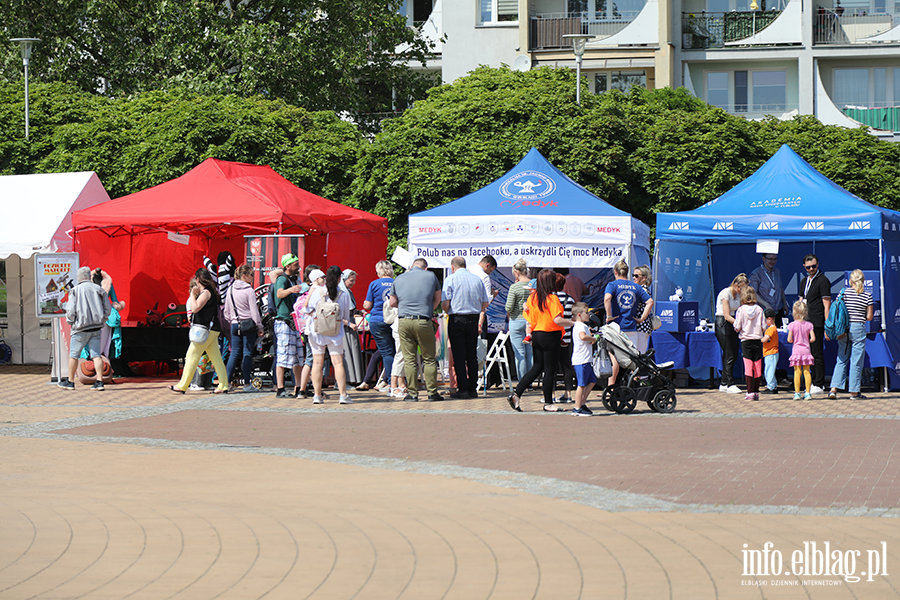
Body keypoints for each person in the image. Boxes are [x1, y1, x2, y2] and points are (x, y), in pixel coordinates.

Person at [506, 269, 575, 411]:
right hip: (551, 335)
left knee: (537, 367)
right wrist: (574, 323)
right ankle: (548, 403)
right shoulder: (552, 299)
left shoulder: (533, 298)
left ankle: (516, 393)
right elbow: (557, 320)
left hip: (537, 334)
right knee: (550, 370)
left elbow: (528, 315)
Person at [389, 258, 442, 402]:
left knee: (409, 359)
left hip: (404, 321)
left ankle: (412, 394)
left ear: (412, 266)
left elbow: (392, 302)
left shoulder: (399, 278)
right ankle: (432, 393)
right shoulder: (431, 276)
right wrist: (428, 307)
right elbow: (438, 298)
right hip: (423, 320)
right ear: (425, 268)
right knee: (429, 358)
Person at [170, 269, 229, 394]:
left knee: (191, 355)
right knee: (216, 358)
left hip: (206, 329)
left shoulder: (206, 293)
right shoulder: (209, 292)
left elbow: (195, 308)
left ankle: (183, 385)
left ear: (197, 279)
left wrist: (192, 294)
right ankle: (223, 385)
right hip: (211, 329)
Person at [301, 266, 353, 404]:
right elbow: (345, 315)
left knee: (317, 363)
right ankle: (343, 395)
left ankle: (317, 396)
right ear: (339, 278)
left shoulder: (317, 291)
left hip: (317, 331)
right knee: (338, 363)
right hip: (335, 332)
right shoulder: (343, 294)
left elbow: (306, 309)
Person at [442, 256, 490, 399]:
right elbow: (485, 303)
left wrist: (449, 310)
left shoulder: (450, 279)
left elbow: (445, 305)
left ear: (452, 267)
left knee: (459, 355)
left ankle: (463, 388)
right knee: (471, 354)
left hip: (457, 318)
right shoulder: (477, 279)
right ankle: (472, 388)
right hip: (473, 318)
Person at [59, 266, 111, 391]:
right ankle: (99, 382)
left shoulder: (75, 290)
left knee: (74, 355)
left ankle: (70, 382)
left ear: (78, 277)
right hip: (96, 328)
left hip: (80, 328)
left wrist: (71, 322)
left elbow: (70, 310)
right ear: (89, 276)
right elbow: (108, 309)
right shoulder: (99, 289)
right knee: (96, 355)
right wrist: (102, 320)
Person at [604, 260, 653, 387]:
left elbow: (607, 298)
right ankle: (632, 387)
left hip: (616, 327)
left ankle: (612, 387)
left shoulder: (612, 285)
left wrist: (609, 316)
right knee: (633, 359)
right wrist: (641, 319)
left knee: (615, 357)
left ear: (615, 272)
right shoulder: (636, 287)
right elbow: (650, 302)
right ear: (627, 272)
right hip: (632, 327)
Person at [829, 269, 874, 400]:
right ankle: (854, 392)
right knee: (856, 361)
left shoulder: (844, 293)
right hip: (858, 328)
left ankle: (833, 389)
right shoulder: (867, 296)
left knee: (841, 358)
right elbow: (870, 317)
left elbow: (837, 310)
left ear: (850, 281)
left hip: (843, 329)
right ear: (863, 281)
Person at [224, 264, 263, 392]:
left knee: (234, 353)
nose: (253, 277)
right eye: (252, 275)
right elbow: (254, 312)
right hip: (248, 324)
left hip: (234, 324)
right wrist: (259, 326)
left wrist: (233, 320)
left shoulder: (230, 289)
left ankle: (227, 383)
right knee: (247, 353)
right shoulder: (249, 290)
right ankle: (247, 384)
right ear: (244, 276)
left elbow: (226, 312)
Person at [798, 254, 831, 395]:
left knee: (816, 353)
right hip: (804, 323)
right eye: (809, 267)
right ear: (804, 267)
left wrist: (827, 324)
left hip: (817, 322)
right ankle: (809, 382)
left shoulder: (823, 281)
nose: (812, 269)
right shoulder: (804, 281)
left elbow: (826, 304)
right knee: (807, 353)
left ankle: (818, 383)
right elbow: (801, 300)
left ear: (818, 265)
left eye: (814, 266)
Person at [273, 254, 303, 398]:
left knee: (298, 356)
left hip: (294, 323)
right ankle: (280, 388)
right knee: (283, 356)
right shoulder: (282, 280)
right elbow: (279, 294)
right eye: (296, 264)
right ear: (288, 266)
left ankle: (298, 387)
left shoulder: (294, 279)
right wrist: (291, 290)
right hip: (284, 322)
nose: (298, 266)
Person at [363, 260, 396, 392]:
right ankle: (396, 380)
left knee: (387, 353)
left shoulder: (374, 284)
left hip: (378, 320)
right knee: (396, 351)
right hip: (394, 320)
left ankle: (389, 382)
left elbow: (368, 305)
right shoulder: (396, 282)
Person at [715, 273, 748, 394]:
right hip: (722, 323)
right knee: (729, 354)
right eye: (741, 288)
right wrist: (740, 324)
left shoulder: (739, 296)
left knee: (733, 354)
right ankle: (730, 384)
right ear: (735, 285)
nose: (743, 291)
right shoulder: (725, 293)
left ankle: (723, 383)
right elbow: (727, 315)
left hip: (733, 324)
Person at [733, 286, 766, 402]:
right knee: (757, 365)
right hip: (757, 339)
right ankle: (756, 391)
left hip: (745, 340)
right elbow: (763, 326)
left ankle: (749, 391)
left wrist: (737, 327)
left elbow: (737, 327)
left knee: (748, 366)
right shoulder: (760, 309)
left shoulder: (740, 310)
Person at [505, 259, 533, 381]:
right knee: (530, 353)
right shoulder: (533, 285)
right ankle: (530, 382)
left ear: (516, 272)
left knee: (520, 354)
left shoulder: (514, 287)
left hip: (516, 320)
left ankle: (523, 382)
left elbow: (508, 307)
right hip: (531, 321)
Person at [570, 303, 596, 416]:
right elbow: (583, 337)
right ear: (579, 314)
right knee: (581, 384)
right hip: (581, 360)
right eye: (586, 313)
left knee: (592, 381)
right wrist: (593, 338)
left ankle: (582, 403)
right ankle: (577, 407)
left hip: (586, 359)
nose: (588, 315)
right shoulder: (580, 326)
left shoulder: (582, 326)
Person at [339, 269, 365, 387]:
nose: (353, 283)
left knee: (353, 351)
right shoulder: (339, 293)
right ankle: (346, 380)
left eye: (354, 281)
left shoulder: (348, 292)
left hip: (350, 324)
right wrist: (348, 323)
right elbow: (338, 313)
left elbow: (351, 309)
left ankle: (354, 379)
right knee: (347, 353)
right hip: (344, 326)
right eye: (351, 280)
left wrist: (359, 312)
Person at [787, 300, 815, 401]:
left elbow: (789, 339)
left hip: (796, 351)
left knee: (797, 372)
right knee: (807, 372)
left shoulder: (792, 325)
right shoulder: (809, 325)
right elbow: (813, 338)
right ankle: (807, 393)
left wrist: (794, 340)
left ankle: (797, 393)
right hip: (806, 351)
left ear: (794, 312)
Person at [749, 253, 788, 325]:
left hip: (778, 311)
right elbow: (753, 293)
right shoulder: (756, 273)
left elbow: (780, 289)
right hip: (765, 313)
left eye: (774, 259)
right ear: (763, 258)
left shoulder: (777, 272)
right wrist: (766, 304)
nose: (772, 262)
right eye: (770, 259)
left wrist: (785, 304)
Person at [555, 272, 576, 404]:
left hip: (553, 336)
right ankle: (568, 394)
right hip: (566, 337)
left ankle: (551, 394)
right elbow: (573, 318)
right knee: (567, 365)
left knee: (551, 366)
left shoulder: (550, 299)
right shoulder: (571, 300)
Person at [469, 255, 498, 335]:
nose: (490, 273)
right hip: (478, 314)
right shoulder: (484, 277)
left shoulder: (468, 270)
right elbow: (487, 302)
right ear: (487, 265)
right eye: (490, 270)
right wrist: (493, 295)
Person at [760, 308, 780, 394]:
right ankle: (773, 385)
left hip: (771, 353)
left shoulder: (771, 329)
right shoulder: (773, 328)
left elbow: (765, 339)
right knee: (770, 369)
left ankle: (771, 387)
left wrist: (759, 338)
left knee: (769, 371)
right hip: (771, 353)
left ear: (769, 319)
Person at [633, 265, 654, 339]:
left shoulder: (642, 290)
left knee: (639, 350)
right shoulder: (643, 290)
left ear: (644, 278)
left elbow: (650, 303)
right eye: (633, 275)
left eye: (636, 276)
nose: (634, 278)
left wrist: (641, 319)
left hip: (641, 327)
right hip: (642, 327)